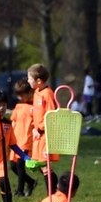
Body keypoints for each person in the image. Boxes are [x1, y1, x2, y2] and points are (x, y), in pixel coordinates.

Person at [27, 63, 58, 194]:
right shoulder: (36, 92)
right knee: (39, 164)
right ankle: (55, 190)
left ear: (38, 81)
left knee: (45, 166)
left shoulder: (48, 93)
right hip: (37, 135)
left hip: (45, 135)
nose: (28, 80)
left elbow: (51, 115)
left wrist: (40, 129)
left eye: (30, 78)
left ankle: (51, 194)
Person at [9, 79, 37, 197]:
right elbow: (13, 122)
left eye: (23, 95)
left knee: (20, 166)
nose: (21, 97)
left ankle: (20, 191)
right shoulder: (18, 106)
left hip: (26, 140)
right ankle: (31, 182)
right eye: (19, 95)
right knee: (13, 166)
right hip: (16, 140)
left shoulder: (34, 107)